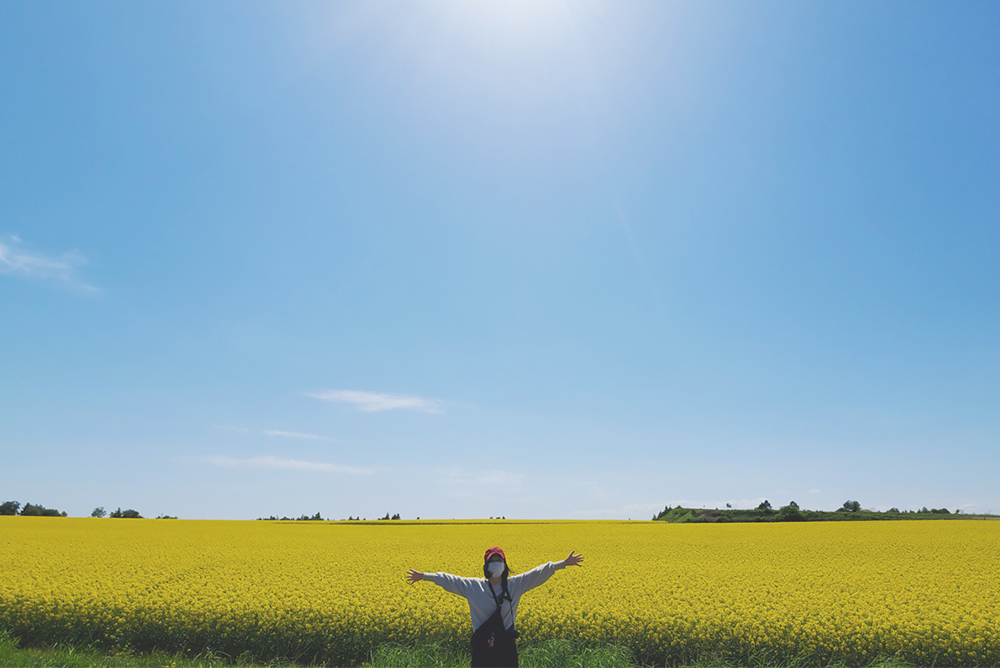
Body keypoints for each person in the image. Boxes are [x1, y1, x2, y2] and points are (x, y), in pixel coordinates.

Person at [406, 546, 584, 668]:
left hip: (506, 647)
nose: (497, 564)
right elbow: (449, 579)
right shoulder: (474, 586)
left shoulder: (515, 585)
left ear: (505, 564)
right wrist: (423, 576)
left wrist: (563, 564)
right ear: (486, 565)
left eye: (499, 560)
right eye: (493, 561)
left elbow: (537, 574)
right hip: (482, 648)